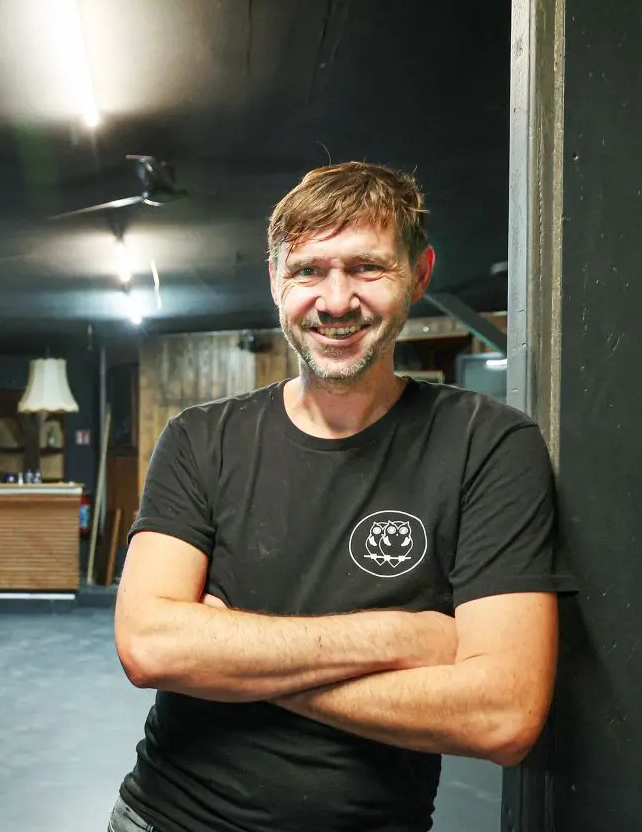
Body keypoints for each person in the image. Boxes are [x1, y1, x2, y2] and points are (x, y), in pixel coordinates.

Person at [106, 161, 576, 832]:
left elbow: (503, 715)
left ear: (419, 274)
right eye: (308, 271)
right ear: (276, 280)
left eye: (367, 268)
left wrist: (231, 662)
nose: (335, 301)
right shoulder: (200, 440)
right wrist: (403, 636)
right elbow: (150, 648)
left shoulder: (489, 444)